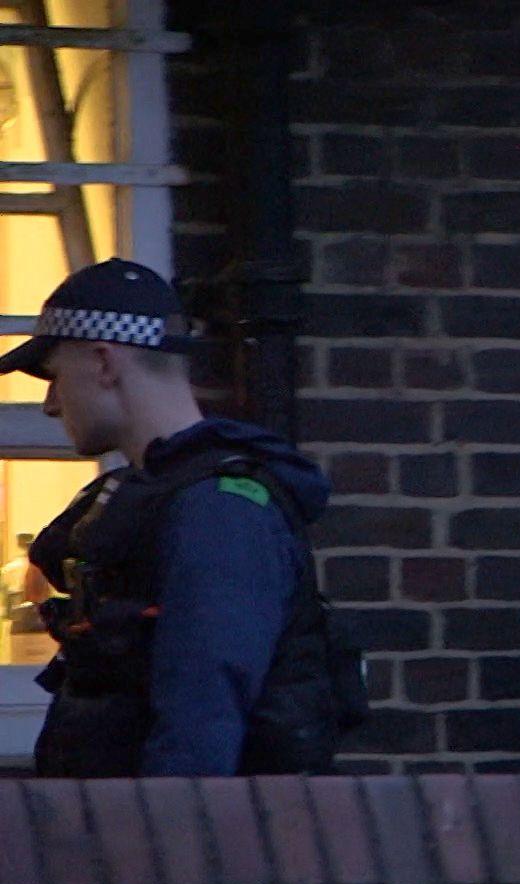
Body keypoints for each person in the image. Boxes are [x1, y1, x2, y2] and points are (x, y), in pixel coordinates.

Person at [7, 258, 361, 777]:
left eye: (55, 377)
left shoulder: (218, 509)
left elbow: (200, 726)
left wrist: (162, 847)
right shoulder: (157, 497)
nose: (51, 405)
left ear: (104, 363)